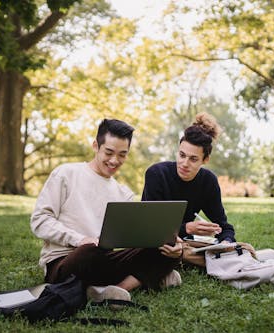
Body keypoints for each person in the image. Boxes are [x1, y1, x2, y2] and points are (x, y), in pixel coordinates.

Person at [30, 118, 183, 303]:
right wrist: (80, 240)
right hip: (67, 262)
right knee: (88, 253)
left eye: (122, 155)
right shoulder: (66, 174)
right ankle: (150, 278)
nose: (114, 160)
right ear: (96, 146)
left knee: (169, 250)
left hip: (104, 259)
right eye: (109, 152)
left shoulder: (124, 193)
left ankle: (114, 290)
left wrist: (167, 242)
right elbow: (40, 220)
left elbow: (132, 239)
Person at [141, 113, 236, 264]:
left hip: (184, 244)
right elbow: (151, 228)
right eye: (182, 155)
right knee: (167, 249)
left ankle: (219, 256)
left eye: (193, 159)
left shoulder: (208, 181)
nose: (185, 163)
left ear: (205, 160)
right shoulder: (157, 174)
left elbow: (224, 227)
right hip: (156, 242)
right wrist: (188, 228)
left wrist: (226, 242)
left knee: (243, 248)